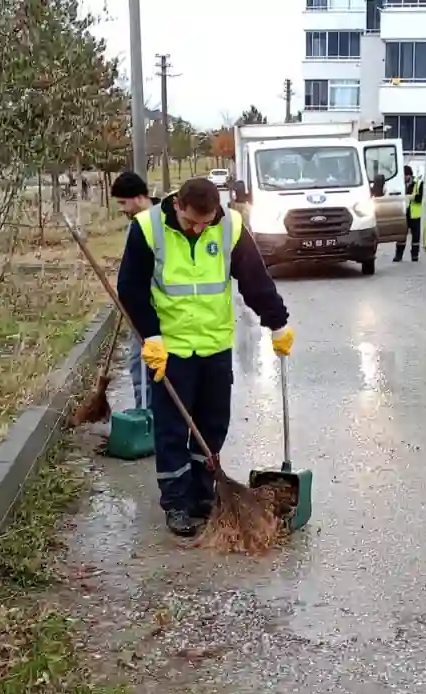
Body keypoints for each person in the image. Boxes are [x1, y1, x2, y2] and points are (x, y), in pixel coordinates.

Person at [117, 177, 294, 538]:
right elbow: (130, 288)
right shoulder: (148, 228)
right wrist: (151, 336)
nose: (200, 228)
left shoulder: (229, 226)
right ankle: (177, 503)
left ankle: (202, 494)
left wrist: (277, 323)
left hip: (215, 346)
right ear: (177, 205)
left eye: (206, 222)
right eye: (193, 221)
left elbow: (254, 280)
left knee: (213, 425)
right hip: (171, 349)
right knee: (171, 429)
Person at [111, 171, 161, 409]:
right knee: (138, 364)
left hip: (152, 309)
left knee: (144, 366)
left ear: (139, 197)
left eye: (123, 202)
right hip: (140, 307)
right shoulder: (141, 224)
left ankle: (149, 418)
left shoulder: (155, 224)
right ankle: (147, 414)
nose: (122, 209)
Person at [393, 165, 423, 263]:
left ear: (410, 175)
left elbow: (420, 198)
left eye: (406, 175)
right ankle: (398, 255)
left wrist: (409, 197)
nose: (404, 178)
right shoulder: (400, 186)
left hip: (415, 214)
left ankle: (414, 256)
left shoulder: (417, 184)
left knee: (416, 237)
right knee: (401, 236)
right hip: (403, 214)